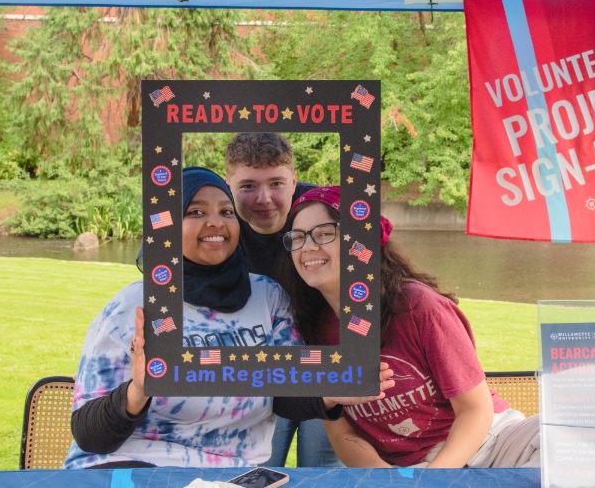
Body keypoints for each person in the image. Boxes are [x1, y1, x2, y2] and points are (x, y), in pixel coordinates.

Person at [63, 168, 393, 469]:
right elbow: (89, 436)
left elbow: (286, 393)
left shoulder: (269, 298)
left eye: (226, 211)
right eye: (196, 212)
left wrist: (330, 392)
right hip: (135, 468)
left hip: (236, 474)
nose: (216, 222)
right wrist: (138, 391)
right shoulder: (132, 307)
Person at [280, 186, 540, 468]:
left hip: (490, 443)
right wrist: (386, 478)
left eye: (324, 233)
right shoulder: (312, 329)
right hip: (407, 470)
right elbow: (342, 432)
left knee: (564, 440)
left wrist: (432, 481)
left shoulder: (419, 307)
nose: (307, 246)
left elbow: (475, 410)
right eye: (298, 237)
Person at [224, 132, 341, 468]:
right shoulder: (217, 219)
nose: (264, 199)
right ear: (228, 184)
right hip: (260, 367)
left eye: (276, 183)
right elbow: (157, 258)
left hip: (327, 361)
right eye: (248, 186)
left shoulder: (319, 211)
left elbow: (375, 259)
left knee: (322, 471)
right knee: (256, 469)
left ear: (293, 180)